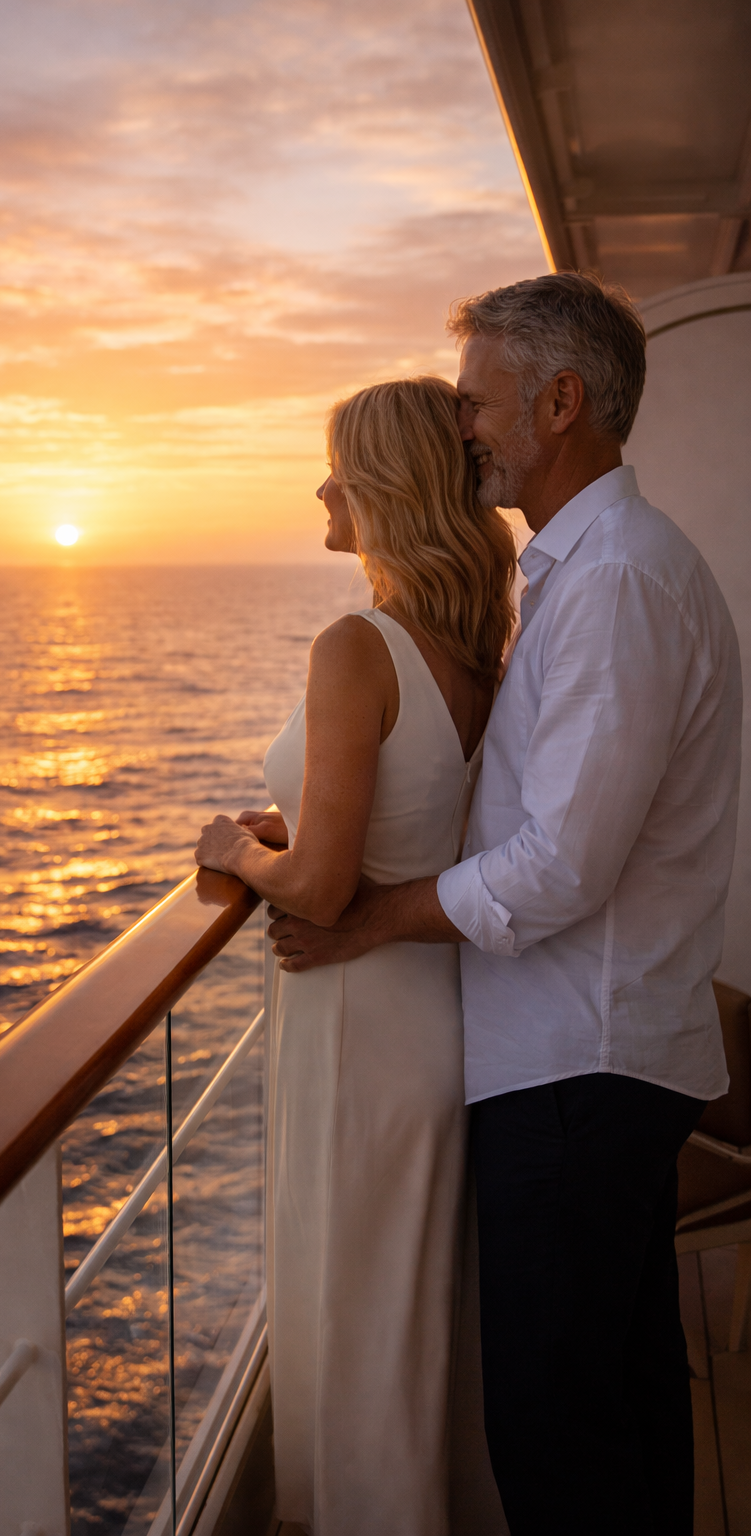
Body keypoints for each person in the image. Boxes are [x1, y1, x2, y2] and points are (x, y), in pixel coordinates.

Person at [264, 273, 742, 1536]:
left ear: (560, 401)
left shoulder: (617, 585)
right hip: (587, 1056)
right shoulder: (580, 576)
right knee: (622, 1402)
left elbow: (561, 866)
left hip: (577, 1068)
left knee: (555, 1436)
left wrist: (368, 916)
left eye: (475, 401)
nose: (460, 424)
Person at [195, 377, 517, 1535]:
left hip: (358, 1020)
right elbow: (400, 821)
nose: (320, 487)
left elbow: (325, 890)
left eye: (337, 466)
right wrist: (302, 830)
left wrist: (236, 844)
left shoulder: (355, 645)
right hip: (435, 1012)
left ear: (384, 489)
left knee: (353, 1304)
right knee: (410, 1315)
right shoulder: (472, 648)